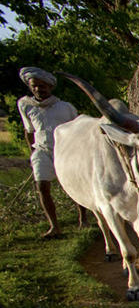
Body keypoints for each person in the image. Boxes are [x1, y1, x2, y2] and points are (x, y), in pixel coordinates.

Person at [17, 66, 84, 238]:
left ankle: (83, 218)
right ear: (31, 87)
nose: (39, 89)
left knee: (75, 185)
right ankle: (54, 226)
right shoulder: (26, 106)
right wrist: (31, 152)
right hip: (41, 150)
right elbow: (29, 131)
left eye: (43, 85)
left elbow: (77, 130)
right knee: (42, 186)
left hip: (66, 151)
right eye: (35, 86)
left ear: (51, 87)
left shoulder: (65, 107)